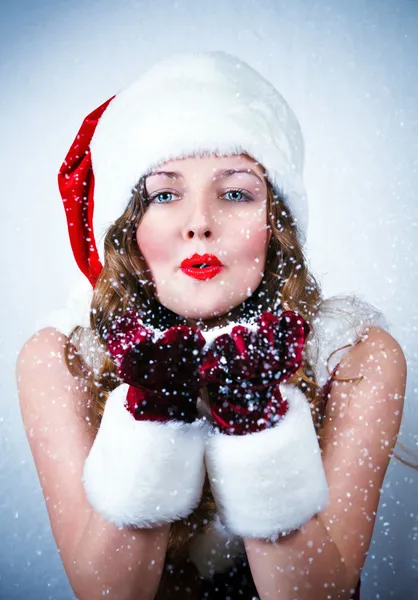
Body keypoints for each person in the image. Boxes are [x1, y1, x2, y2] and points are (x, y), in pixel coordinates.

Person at [16, 51, 408, 600]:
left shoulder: (354, 354)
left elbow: (318, 594)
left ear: (276, 221)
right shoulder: (64, 358)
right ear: (128, 226)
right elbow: (109, 593)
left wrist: (257, 422)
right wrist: (155, 416)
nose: (200, 222)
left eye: (235, 192)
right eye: (165, 194)